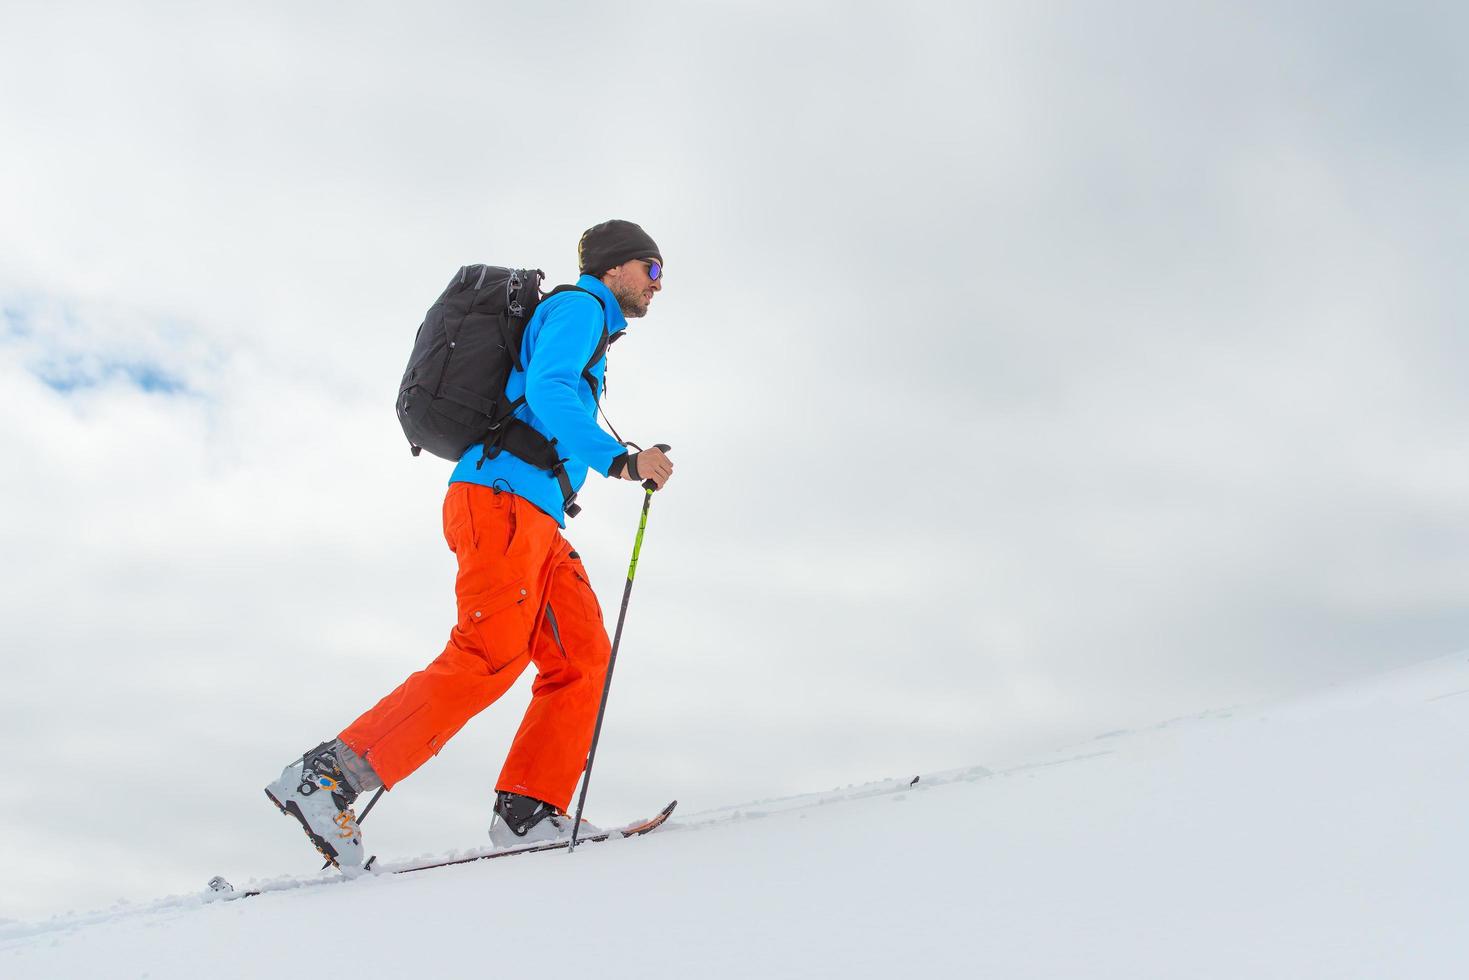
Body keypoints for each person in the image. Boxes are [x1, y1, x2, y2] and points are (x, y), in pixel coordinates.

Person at [264, 219, 674, 869]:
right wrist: (619, 461)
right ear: (616, 267)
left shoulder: (589, 320)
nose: (658, 285)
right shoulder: (580, 306)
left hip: (536, 514)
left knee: (582, 655)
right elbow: (548, 389)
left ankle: (528, 810)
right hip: (501, 501)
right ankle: (328, 779)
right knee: (489, 653)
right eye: (651, 269)